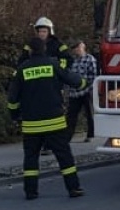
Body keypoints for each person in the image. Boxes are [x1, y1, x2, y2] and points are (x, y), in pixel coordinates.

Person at [8, 35, 88, 200]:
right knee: (64, 156)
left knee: (31, 159)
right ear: (44, 49)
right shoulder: (53, 65)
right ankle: (74, 188)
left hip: (31, 124)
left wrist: (15, 116)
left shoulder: (22, 70)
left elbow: (12, 99)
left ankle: (31, 192)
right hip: (55, 122)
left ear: (29, 51)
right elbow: (73, 80)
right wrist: (84, 83)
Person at [65, 39, 98, 141]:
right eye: (74, 49)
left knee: (89, 113)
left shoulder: (90, 59)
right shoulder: (72, 61)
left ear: (82, 47)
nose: (76, 50)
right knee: (71, 115)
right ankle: (68, 136)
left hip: (87, 91)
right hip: (74, 93)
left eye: (77, 48)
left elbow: (94, 76)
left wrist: (88, 87)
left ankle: (91, 135)